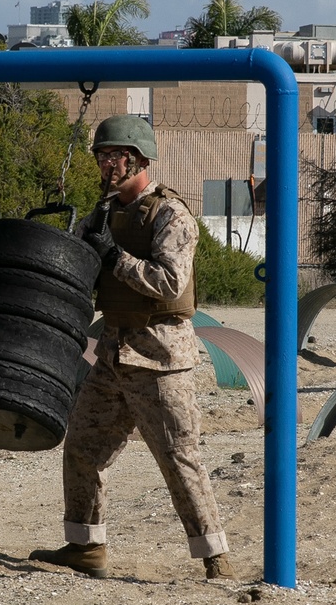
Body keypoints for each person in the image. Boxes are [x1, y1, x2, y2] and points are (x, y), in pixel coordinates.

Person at [31, 114, 234, 581]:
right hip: (113, 355)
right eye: (101, 156)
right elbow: (78, 261)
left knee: (179, 459)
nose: (106, 164)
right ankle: (85, 547)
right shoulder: (104, 213)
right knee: (82, 448)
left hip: (161, 358)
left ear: (139, 158)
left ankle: (216, 559)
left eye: (114, 155)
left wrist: (114, 257)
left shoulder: (170, 214)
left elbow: (168, 282)